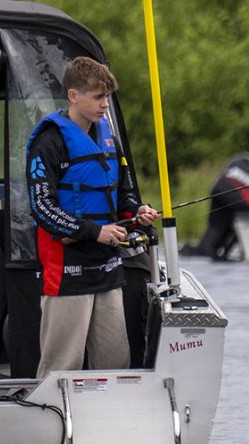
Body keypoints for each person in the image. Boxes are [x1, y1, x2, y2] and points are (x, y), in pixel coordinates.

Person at [26, 56, 158, 373]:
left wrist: (136, 211)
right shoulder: (48, 142)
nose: (104, 104)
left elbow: (123, 193)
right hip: (66, 271)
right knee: (62, 364)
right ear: (74, 96)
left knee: (115, 360)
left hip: (108, 267)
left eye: (107, 97)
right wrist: (94, 231)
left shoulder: (108, 137)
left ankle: (110, 418)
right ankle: (51, 414)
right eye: (98, 97)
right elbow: (42, 208)